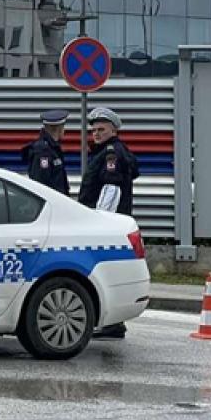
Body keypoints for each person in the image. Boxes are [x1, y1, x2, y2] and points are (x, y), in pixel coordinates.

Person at [78, 106, 140, 340]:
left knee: (104, 272)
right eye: (94, 130)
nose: (96, 133)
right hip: (114, 223)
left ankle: (113, 323)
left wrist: (99, 223)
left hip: (106, 225)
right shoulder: (113, 151)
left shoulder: (110, 154)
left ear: (114, 131)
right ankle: (114, 323)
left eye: (101, 130)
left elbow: (111, 190)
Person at [21, 109, 70, 195]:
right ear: (59, 128)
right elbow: (41, 184)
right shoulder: (43, 152)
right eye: (63, 126)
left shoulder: (52, 148)